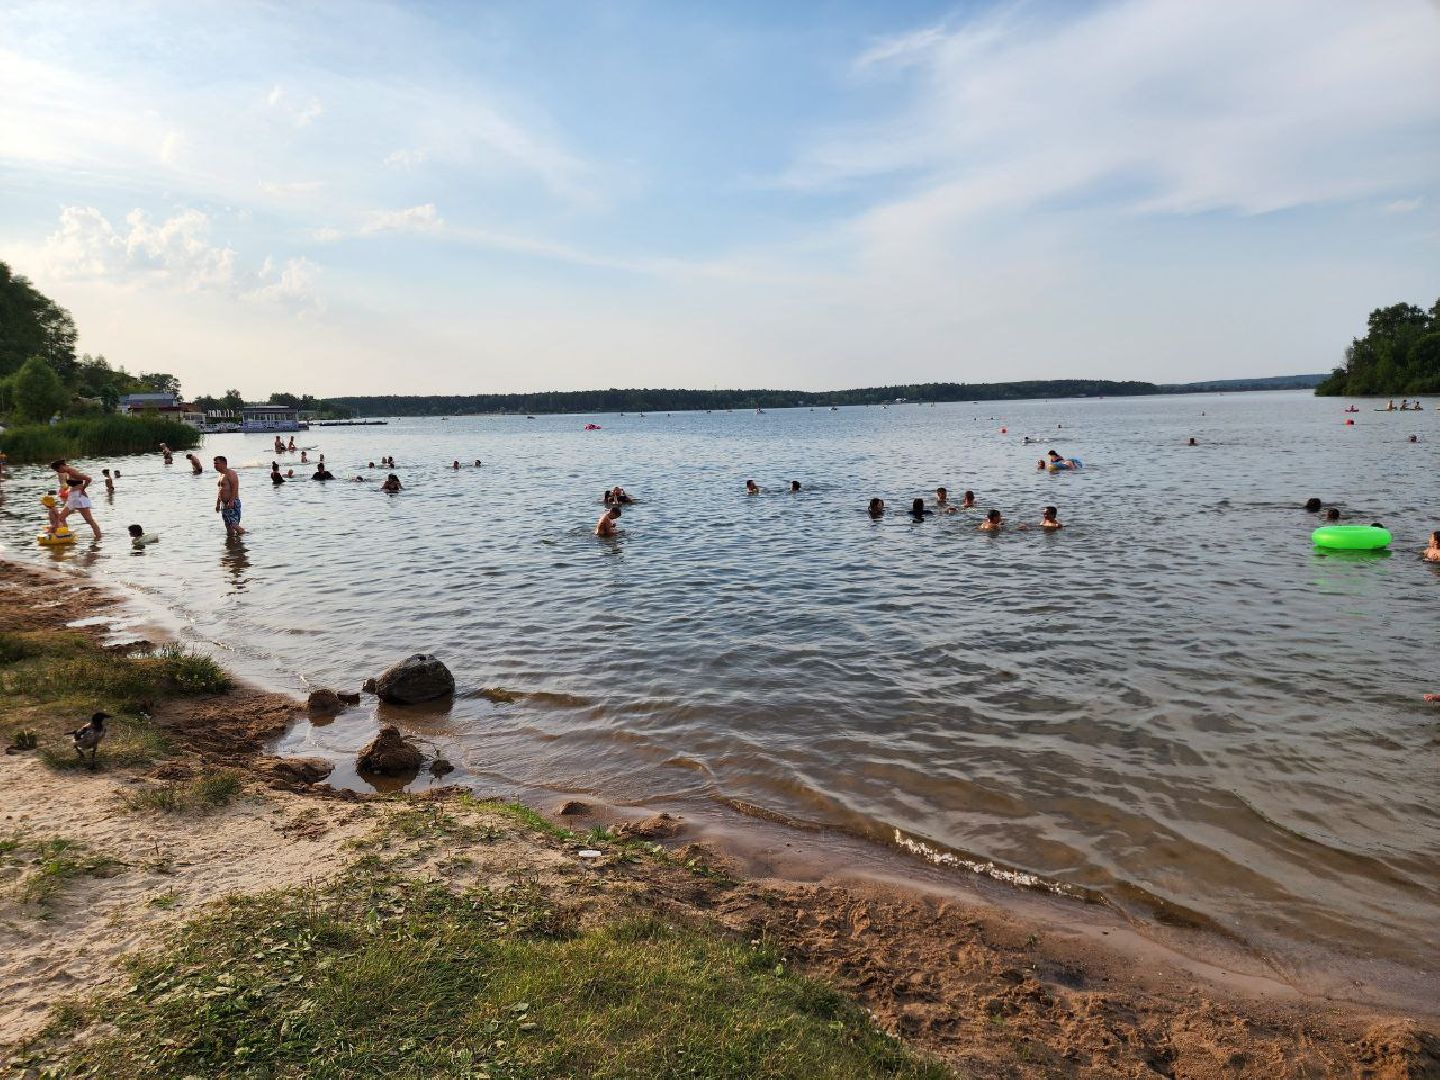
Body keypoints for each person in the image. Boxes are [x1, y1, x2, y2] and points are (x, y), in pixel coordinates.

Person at [214, 455, 244, 536]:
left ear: (224, 464)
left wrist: (231, 501)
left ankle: (245, 537)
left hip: (232, 503)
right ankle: (232, 546)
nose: (215, 465)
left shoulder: (231, 473)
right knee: (228, 527)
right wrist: (217, 504)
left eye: (217, 463)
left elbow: (235, 487)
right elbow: (220, 490)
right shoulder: (220, 475)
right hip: (224, 505)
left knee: (234, 525)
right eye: (214, 463)